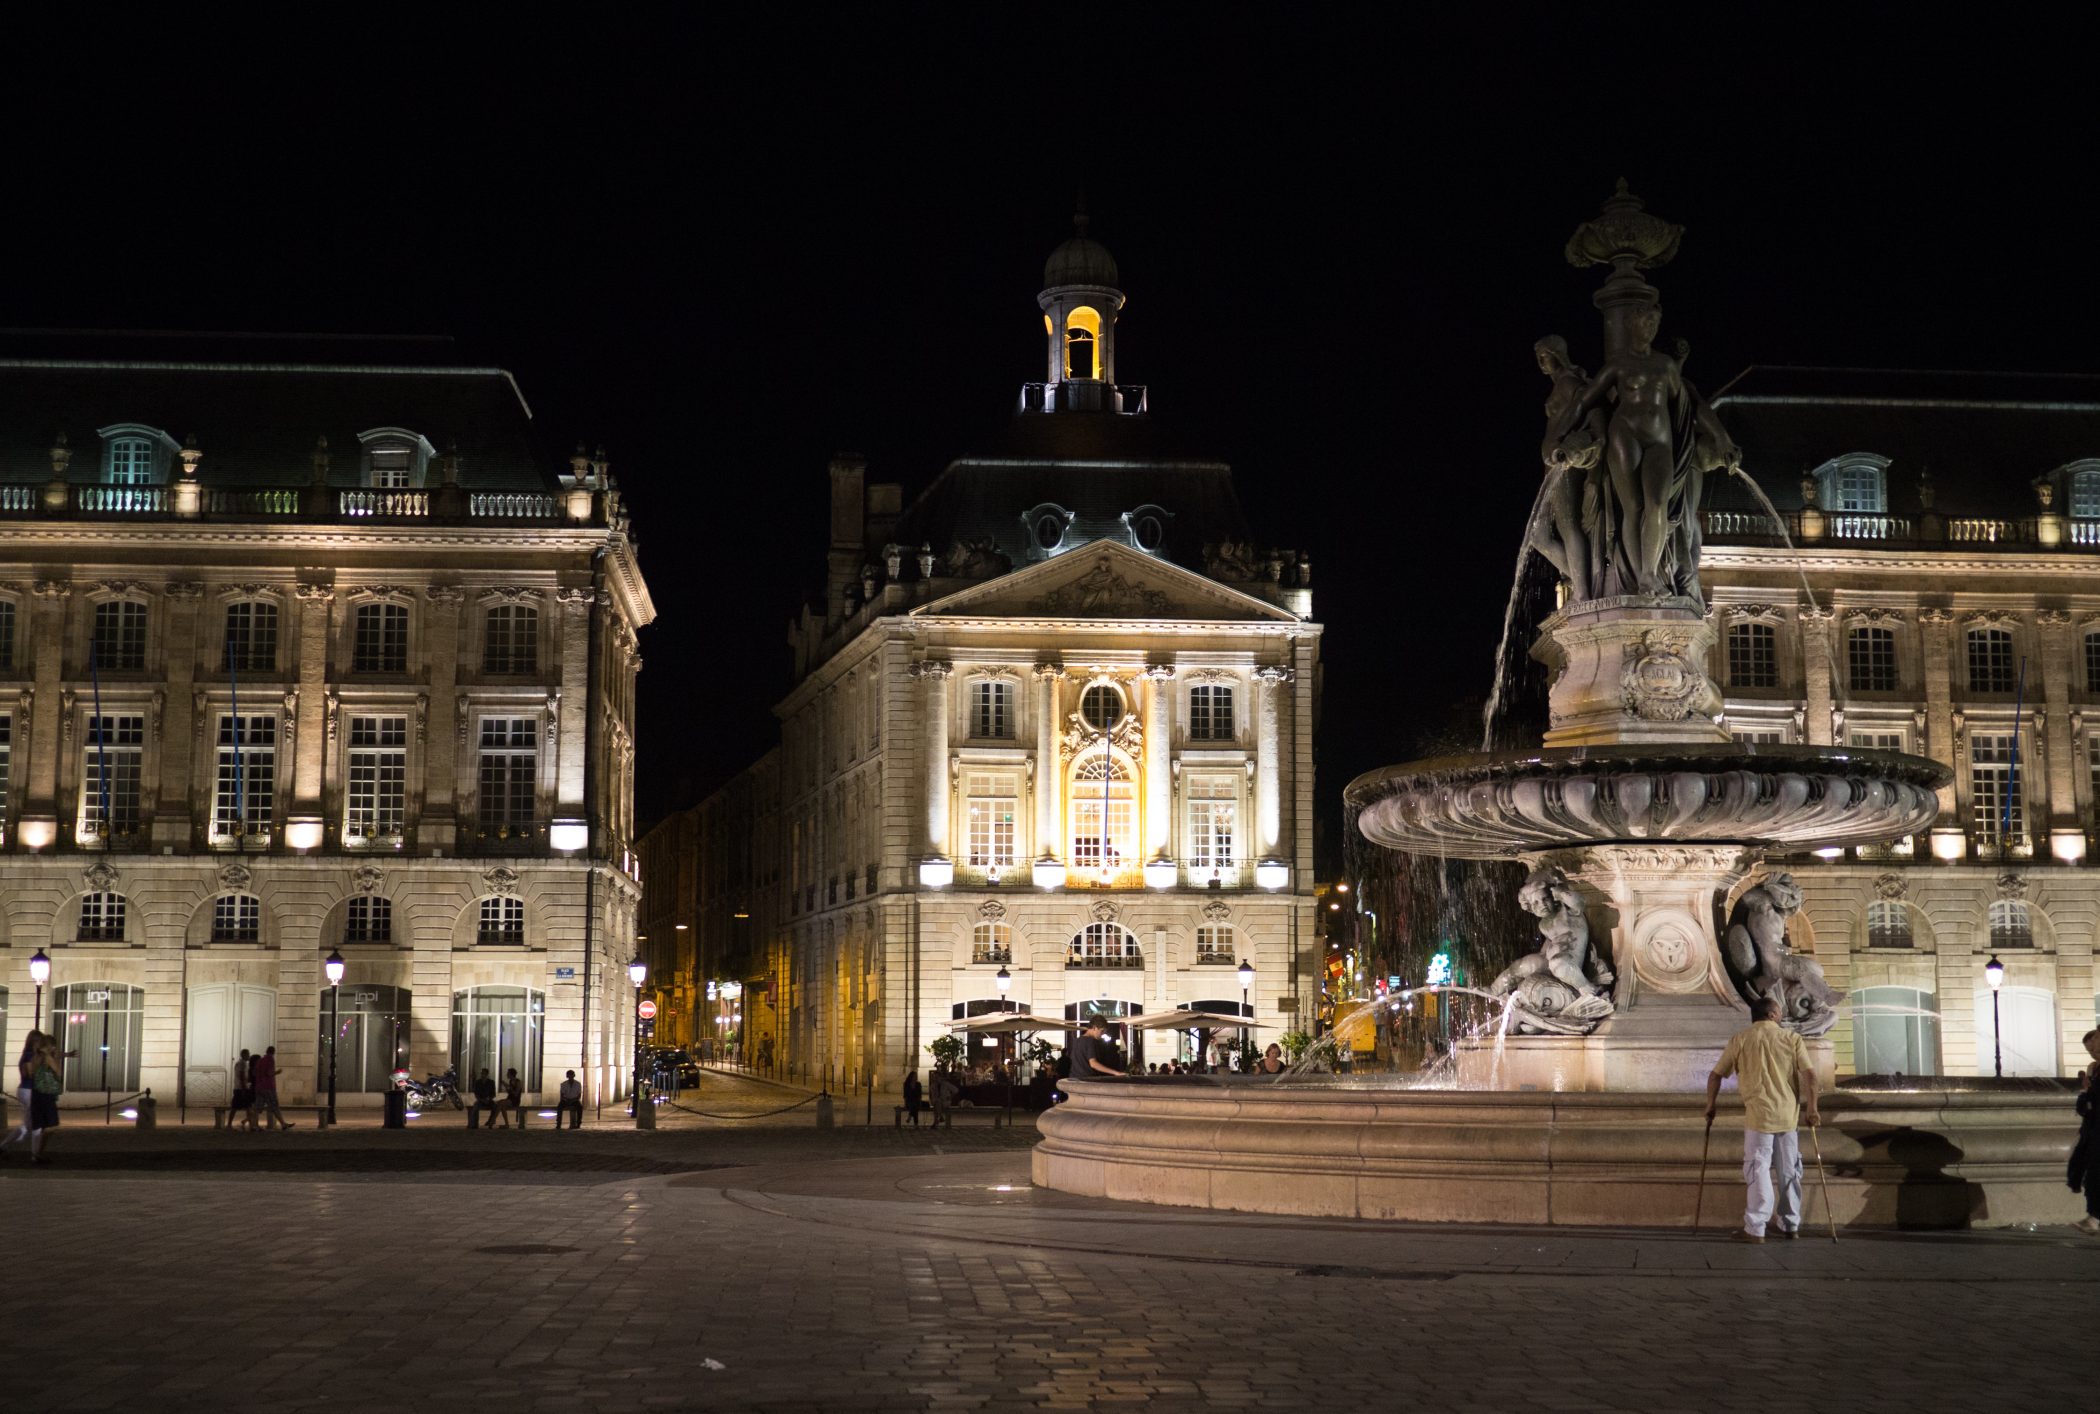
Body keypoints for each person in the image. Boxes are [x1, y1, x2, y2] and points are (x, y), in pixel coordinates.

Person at [1705, 997, 1820, 1242]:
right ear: (1773, 1014)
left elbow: (1715, 1076)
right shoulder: (1791, 1039)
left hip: (1758, 1117)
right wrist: (1812, 1109)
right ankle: (1791, 1224)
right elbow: (1811, 1076)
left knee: (1758, 1169)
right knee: (1789, 1170)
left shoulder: (1740, 1040)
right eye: (1779, 1011)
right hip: (1788, 1116)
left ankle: (1757, 1227)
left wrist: (1710, 1105)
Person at [2073, 1029, 2100, 1236]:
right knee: (2091, 1172)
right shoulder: (2093, 1068)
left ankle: (2095, 1217)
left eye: (2094, 1045)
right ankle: (2094, 1216)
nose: (2091, 1051)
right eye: (2088, 1049)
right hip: (2093, 1128)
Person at [1060, 1018, 1126, 1099]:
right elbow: (1093, 1064)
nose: (1102, 1034)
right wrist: (1116, 1073)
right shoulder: (1090, 1041)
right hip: (1086, 1081)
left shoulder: (1077, 1041)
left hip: (1074, 1079)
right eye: (1102, 1031)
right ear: (1094, 1028)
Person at [23, 1033, 62, 1163]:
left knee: (39, 1125)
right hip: (47, 1095)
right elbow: (58, 1072)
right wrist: (53, 1058)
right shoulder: (47, 1058)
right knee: (52, 1125)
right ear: (50, 1046)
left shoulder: (35, 1057)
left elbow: (32, 1072)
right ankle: (38, 1152)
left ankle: (37, 1153)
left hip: (37, 1093)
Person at [3, 1029, 43, 1154]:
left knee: (28, 1124)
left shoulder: (28, 1053)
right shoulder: (30, 1055)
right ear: (35, 1041)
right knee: (34, 1123)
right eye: (40, 1041)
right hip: (28, 1090)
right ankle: (35, 1154)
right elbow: (31, 1074)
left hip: (26, 1089)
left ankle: (4, 1146)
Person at [252, 1045, 293, 1130]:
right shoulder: (270, 1059)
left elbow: (255, 1073)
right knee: (274, 1106)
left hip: (259, 1087)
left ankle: (254, 1125)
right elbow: (269, 1073)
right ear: (273, 1052)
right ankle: (283, 1124)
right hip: (268, 1087)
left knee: (257, 1107)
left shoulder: (261, 1060)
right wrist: (277, 1072)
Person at [229, 1048, 257, 1132]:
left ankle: (250, 1125)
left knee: (246, 1107)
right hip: (240, 1089)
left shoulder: (241, 1063)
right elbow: (241, 1077)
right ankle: (230, 1124)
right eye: (248, 1054)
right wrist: (245, 1088)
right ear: (244, 1055)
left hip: (240, 1088)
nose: (249, 1055)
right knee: (237, 1107)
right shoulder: (242, 1064)